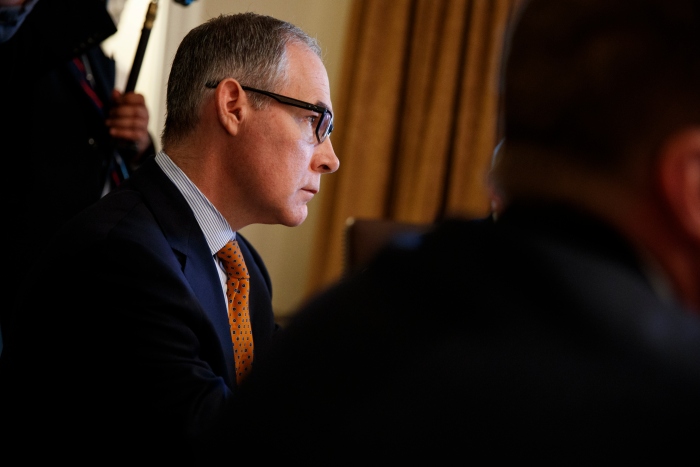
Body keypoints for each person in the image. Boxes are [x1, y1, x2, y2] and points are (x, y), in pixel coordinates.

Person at [230, 0, 700, 462]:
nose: (332, 158)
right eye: (315, 123)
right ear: (691, 181)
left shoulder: (323, 336)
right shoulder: (671, 399)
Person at [1, 11, 339, 463]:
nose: (330, 159)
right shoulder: (123, 256)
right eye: (315, 121)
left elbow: (287, 391)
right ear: (233, 106)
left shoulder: (243, 266)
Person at [0, 0, 155, 358]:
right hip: (30, 273)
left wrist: (139, 142)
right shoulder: (21, 42)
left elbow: (105, 149)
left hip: (101, 267)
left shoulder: (96, 57)